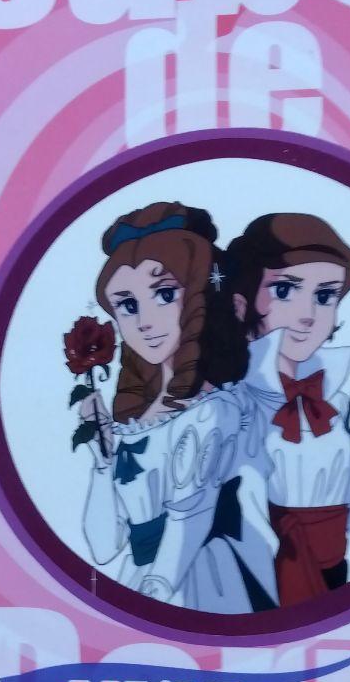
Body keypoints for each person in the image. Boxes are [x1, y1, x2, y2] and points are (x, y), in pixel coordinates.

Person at [77, 202, 277, 611]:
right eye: (128, 304)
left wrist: (155, 593)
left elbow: (192, 515)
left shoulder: (212, 411)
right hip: (141, 581)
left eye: (165, 294)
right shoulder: (131, 421)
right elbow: (104, 547)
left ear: (201, 296)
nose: (145, 321)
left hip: (198, 581)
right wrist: (101, 463)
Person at [225, 213, 350, 608]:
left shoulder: (340, 397)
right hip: (256, 585)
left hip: (334, 580)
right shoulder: (230, 404)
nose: (308, 314)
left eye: (325, 297)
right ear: (241, 304)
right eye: (285, 290)